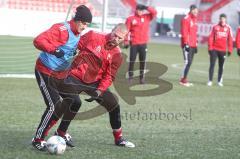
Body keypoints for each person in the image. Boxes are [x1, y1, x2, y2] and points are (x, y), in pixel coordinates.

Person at [57, 23, 135, 148]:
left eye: (120, 38)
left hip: (95, 82)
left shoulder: (117, 55)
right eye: (115, 35)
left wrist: (99, 91)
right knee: (74, 102)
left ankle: (119, 138)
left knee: (114, 104)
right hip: (75, 76)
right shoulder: (93, 36)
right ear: (112, 30)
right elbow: (75, 46)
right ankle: (61, 132)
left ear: (124, 38)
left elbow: (109, 76)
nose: (116, 39)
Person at [31, 5, 92, 151]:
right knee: (54, 105)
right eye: (83, 23)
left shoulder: (79, 35)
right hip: (45, 71)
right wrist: (54, 50)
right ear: (76, 20)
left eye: (87, 25)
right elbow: (38, 40)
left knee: (75, 101)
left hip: (60, 75)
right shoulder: (61, 29)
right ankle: (38, 139)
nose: (84, 27)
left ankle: (61, 133)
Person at [125, 4, 157, 84]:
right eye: (139, 10)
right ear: (136, 10)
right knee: (132, 60)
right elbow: (126, 30)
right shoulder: (130, 19)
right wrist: (126, 41)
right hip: (134, 43)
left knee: (142, 61)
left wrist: (147, 7)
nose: (140, 11)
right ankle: (130, 77)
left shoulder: (147, 17)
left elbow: (155, 13)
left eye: (142, 10)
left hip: (143, 44)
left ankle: (142, 78)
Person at [207, 13, 233, 87]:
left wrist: (230, 50)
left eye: (224, 18)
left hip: (223, 50)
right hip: (214, 49)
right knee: (212, 65)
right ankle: (210, 80)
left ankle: (219, 81)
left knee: (221, 66)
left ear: (226, 19)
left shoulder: (228, 28)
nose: (222, 20)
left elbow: (230, 39)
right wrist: (210, 48)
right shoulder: (215, 27)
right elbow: (211, 37)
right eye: (221, 18)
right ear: (219, 19)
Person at [179, 4, 198, 87]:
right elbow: (184, 32)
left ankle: (184, 78)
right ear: (191, 10)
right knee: (187, 62)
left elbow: (194, 34)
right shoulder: (186, 19)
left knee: (189, 63)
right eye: (194, 10)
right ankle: (183, 80)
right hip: (187, 44)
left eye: (196, 10)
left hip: (193, 45)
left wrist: (196, 44)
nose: (195, 11)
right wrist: (186, 44)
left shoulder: (194, 20)